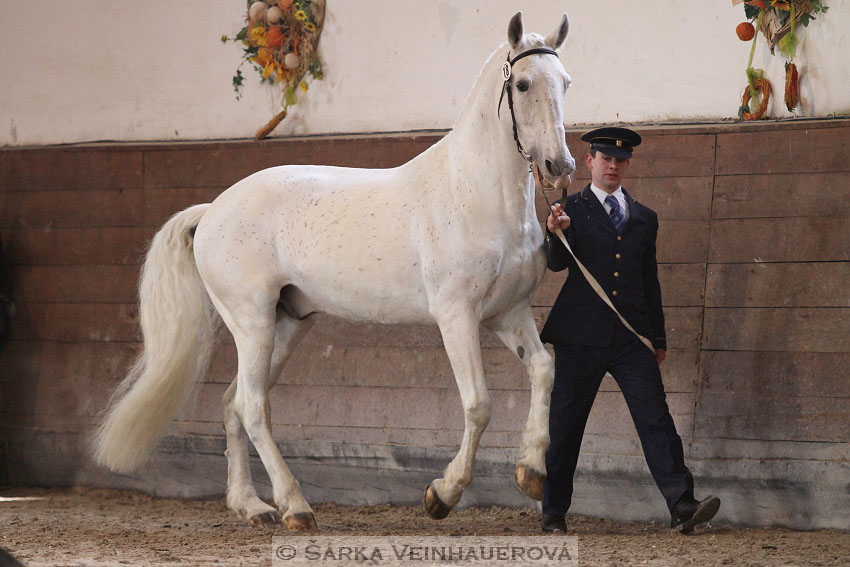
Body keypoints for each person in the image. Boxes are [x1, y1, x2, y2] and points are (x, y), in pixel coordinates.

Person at [538, 127, 719, 534]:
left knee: (656, 418)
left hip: (631, 338)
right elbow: (555, 265)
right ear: (590, 162)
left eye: (620, 160)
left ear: (627, 165)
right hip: (580, 337)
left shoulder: (644, 218)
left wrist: (659, 338)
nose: (613, 166)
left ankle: (682, 504)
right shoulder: (570, 210)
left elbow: (648, 280)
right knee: (566, 425)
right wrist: (555, 233)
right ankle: (553, 514)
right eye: (605, 159)